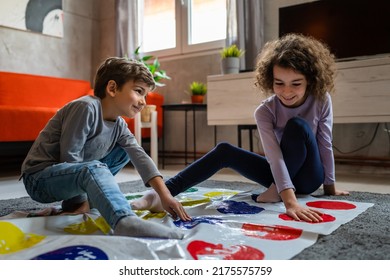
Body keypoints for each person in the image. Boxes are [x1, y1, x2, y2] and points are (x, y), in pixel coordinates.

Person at [132, 33, 349, 223]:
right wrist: (287, 197)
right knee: (225, 150)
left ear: (310, 81)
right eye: (279, 83)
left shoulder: (321, 99)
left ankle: (278, 191)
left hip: (310, 177)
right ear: (269, 80)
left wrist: (329, 187)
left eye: (296, 83)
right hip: (279, 173)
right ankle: (161, 194)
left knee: (297, 126)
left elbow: (324, 142)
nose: (287, 91)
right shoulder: (265, 111)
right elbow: (274, 157)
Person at [21, 57, 190, 239]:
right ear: (112, 88)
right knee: (94, 167)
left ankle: (88, 201)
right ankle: (124, 221)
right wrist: (79, 204)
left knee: (124, 152)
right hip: (39, 179)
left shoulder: (119, 124)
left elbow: (140, 156)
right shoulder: (86, 107)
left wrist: (165, 195)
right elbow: (70, 157)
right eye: (139, 91)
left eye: (145, 96)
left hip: (70, 178)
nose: (143, 101)